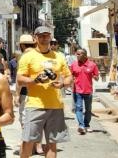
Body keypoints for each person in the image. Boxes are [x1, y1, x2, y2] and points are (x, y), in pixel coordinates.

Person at [17, 26, 73, 158]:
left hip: (55, 105)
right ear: (35, 38)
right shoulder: (28, 56)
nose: (44, 38)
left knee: (52, 145)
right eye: (41, 36)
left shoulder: (59, 56)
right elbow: (20, 78)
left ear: (50, 37)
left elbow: (69, 77)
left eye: (47, 35)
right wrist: (35, 80)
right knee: (28, 143)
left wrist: (63, 84)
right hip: (34, 105)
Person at [14, 34, 44, 156]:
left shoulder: (24, 57)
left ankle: (28, 146)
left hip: (26, 93)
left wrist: (16, 95)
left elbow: (19, 79)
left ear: (22, 45)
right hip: (41, 93)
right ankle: (38, 146)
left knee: (25, 120)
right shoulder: (40, 55)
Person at [70, 48, 100, 134]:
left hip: (88, 91)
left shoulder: (92, 65)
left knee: (88, 109)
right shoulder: (74, 65)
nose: (77, 55)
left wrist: (95, 77)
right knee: (78, 108)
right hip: (77, 90)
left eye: (79, 54)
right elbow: (70, 76)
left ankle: (87, 124)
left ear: (85, 55)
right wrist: (70, 84)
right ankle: (81, 126)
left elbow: (97, 77)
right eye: (77, 54)